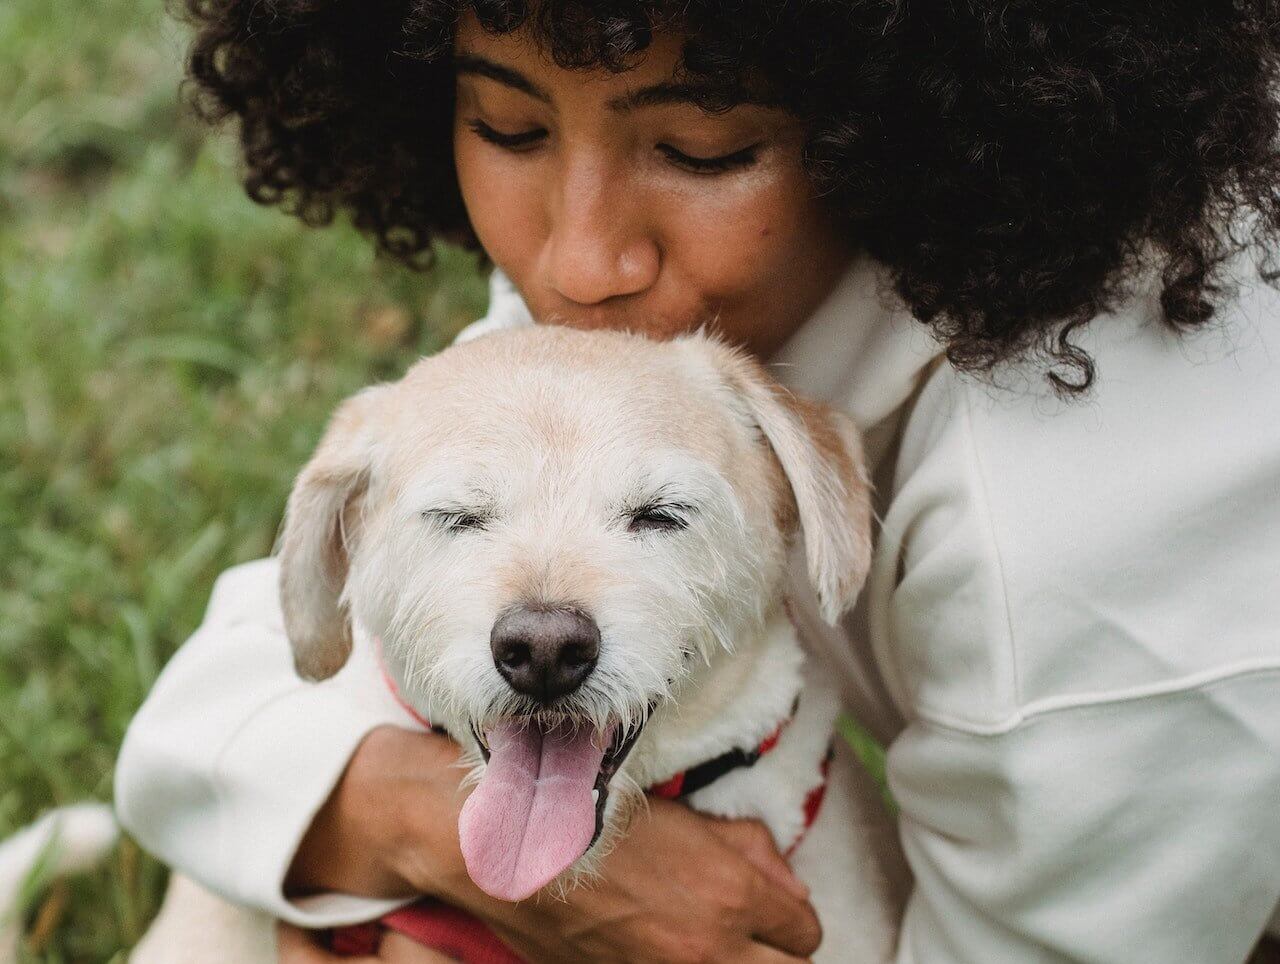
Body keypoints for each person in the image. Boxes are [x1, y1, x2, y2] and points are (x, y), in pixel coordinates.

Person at [115, 2, 1280, 962]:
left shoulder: (1076, 545)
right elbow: (207, 708)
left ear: (891, 137)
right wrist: (423, 826)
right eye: (509, 126)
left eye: (703, 151)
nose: (576, 260)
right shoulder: (653, 309)